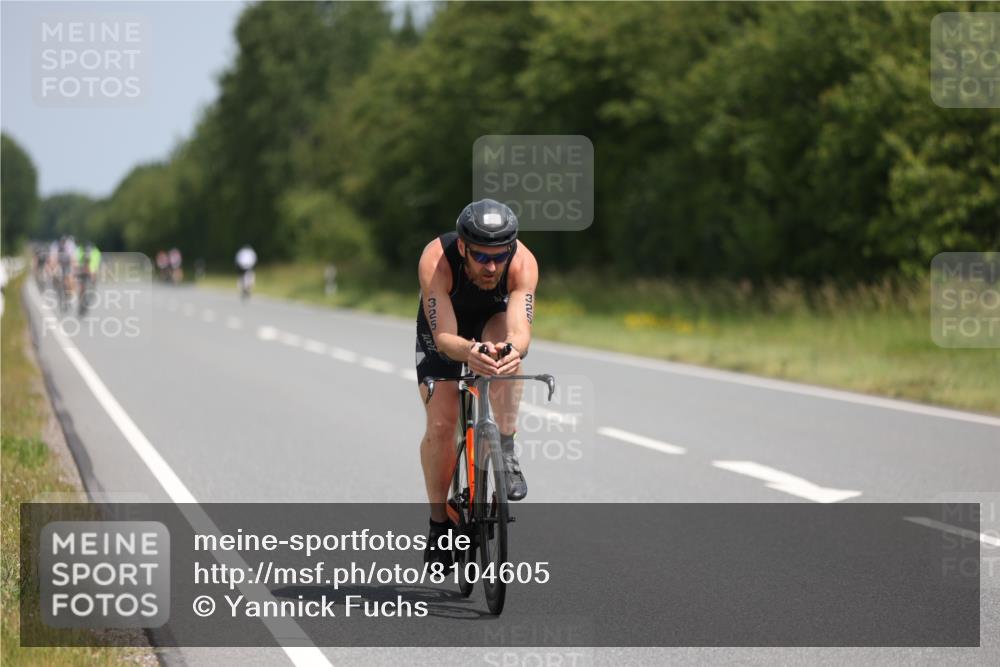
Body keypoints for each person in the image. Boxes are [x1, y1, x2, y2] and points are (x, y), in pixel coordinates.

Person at [415, 198, 538, 566]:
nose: (492, 266)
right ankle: (439, 525)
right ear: (464, 248)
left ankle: (506, 447)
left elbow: (521, 330)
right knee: (442, 422)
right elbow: (444, 339)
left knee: (507, 357)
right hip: (447, 330)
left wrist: (512, 350)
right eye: (482, 257)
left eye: (499, 256)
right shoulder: (436, 259)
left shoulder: (522, 263)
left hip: (493, 318)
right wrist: (469, 351)